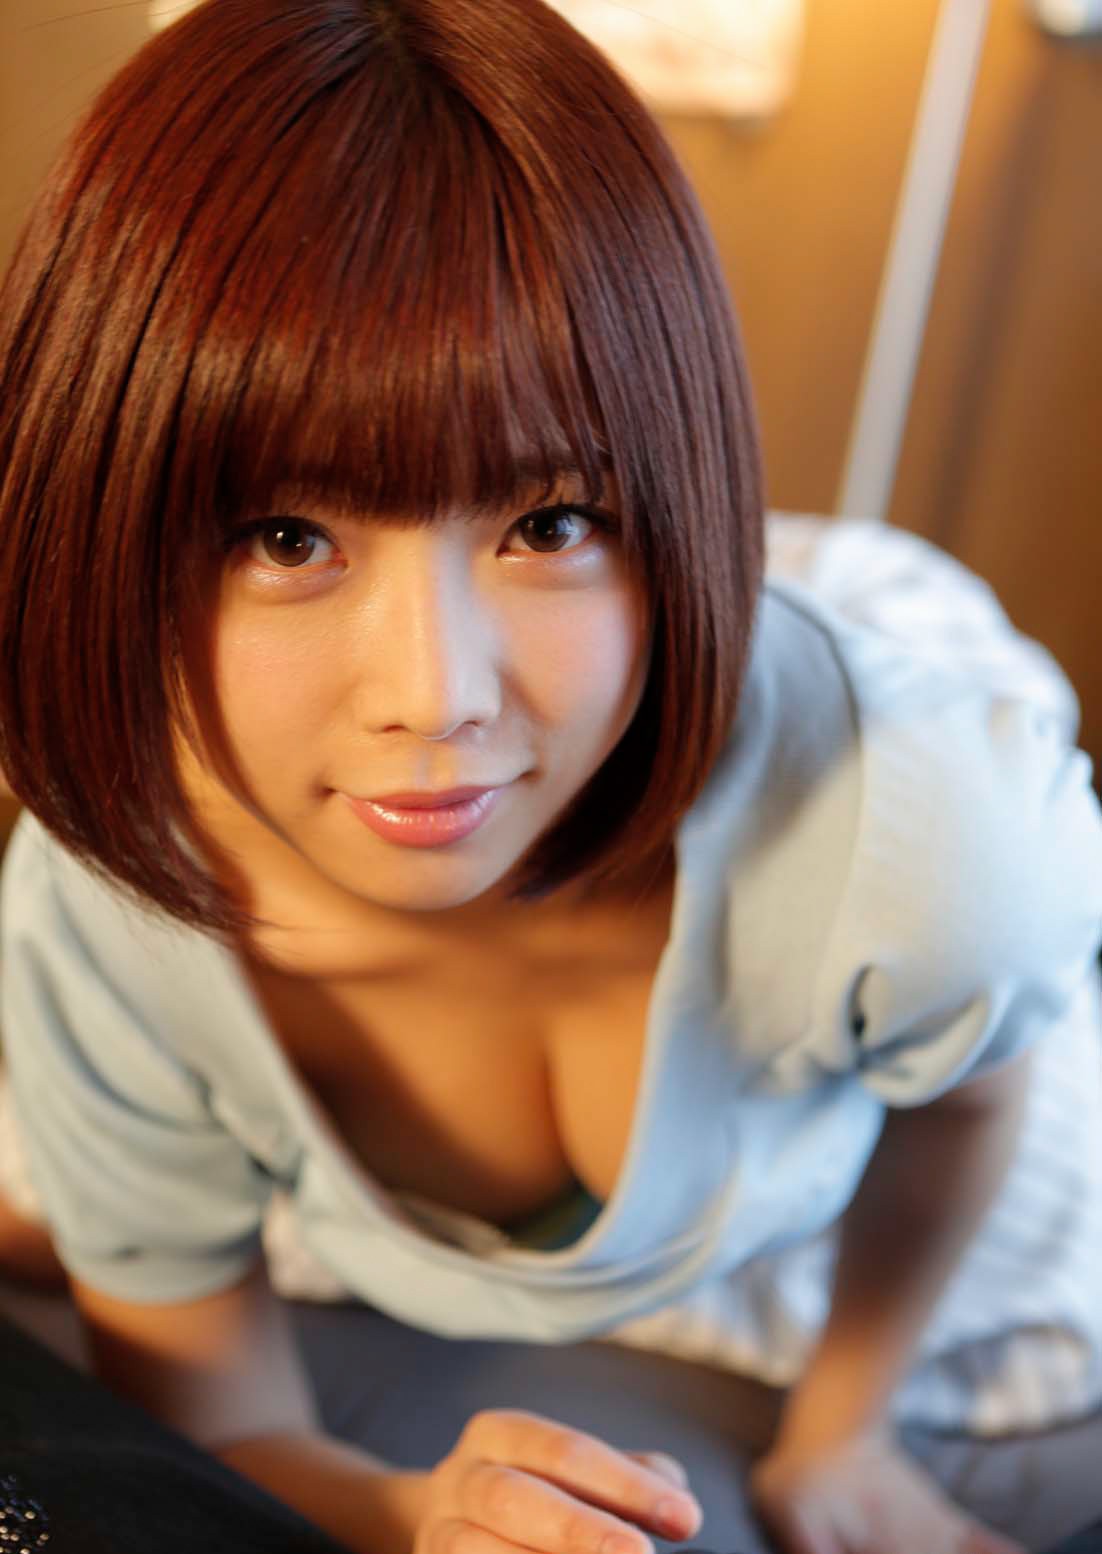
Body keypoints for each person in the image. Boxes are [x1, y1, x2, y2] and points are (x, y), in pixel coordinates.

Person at [0, 3, 1100, 1553]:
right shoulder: (107, 914)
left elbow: (969, 1109)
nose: (435, 695)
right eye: (287, 537)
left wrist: (844, 1426)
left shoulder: (923, 857)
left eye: (548, 522)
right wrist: (413, 1508)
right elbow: (223, 1419)